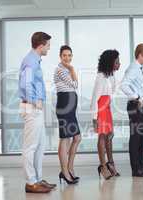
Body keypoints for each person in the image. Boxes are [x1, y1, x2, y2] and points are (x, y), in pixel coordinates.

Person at [19, 32, 56, 193]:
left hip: (36, 108)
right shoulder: (30, 61)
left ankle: (38, 179)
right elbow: (26, 84)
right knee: (30, 147)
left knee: (40, 145)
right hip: (32, 107)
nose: (49, 48)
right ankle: (30, 182)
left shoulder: (35, 61)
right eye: (48, 45)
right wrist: (35, 101)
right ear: (41, 45)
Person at [121, 43, 143, 177]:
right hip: (135, 106)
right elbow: (123, 85)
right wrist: (137, 97)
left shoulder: (138, 68)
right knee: (136, 138)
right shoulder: (133, 68)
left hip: (140, 106)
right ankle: (136, 169)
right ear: (140, 55)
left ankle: (141, 165)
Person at [90, 49, 121, 180]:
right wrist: (94, 117)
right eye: (117, 62)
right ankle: (103, 166)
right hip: (100, 109)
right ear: (110, 62)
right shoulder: (101, 77)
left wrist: (114, 74)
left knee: (109, 136)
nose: (119, 64)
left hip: (107, 108)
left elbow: (114, 90)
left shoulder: (110, 76)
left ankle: (111, 163)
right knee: (102, 137)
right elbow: (94, 98)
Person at [54, 45, 81, 184]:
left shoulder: (66, 69)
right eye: (64, 55)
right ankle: (65, 172)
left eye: (69, 55)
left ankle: (69, 168)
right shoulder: (61, 69)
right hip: (64, 108)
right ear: (60, 56)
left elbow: (74, 85)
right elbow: (75, 84)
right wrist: (72, 69)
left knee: (77, 138)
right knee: (65, 139)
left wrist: (70, 69)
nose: (67, 58)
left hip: (70, 109)